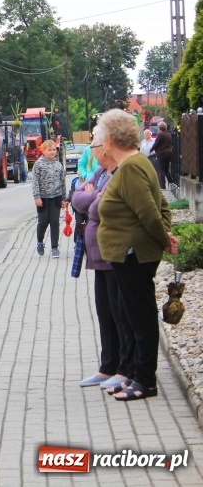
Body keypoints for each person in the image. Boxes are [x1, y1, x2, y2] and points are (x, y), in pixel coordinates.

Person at [97, 109, 178, 401]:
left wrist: (162, 239)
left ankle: (145, 381)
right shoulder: (135, 163)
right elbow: (161, 208)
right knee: (130, 316)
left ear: (109, 139)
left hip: (133, 254)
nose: (99, 142)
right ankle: (134, 374)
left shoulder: (131, 167)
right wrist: (165, 234)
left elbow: (149, 212)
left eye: (99, 136)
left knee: (140, 318)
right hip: (127, 254)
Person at [73, 132, 132, 390]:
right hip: (97, 255)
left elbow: (97, 207)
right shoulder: (101, 173)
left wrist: (92, 196)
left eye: (94, 145)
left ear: (105, 148)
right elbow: (78, 199)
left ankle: (123, 368)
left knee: (119, 313)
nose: (92, 150)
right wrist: (91, 195)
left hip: (112, 254)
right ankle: (107, 366)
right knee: (104, 312)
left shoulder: (117, 173)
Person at [31, 139, 67, 258]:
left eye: (54, 150)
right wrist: (37, 196)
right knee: (43, 222)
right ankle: (40, 241)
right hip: (43, 198)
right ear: (43, 151)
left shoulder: (58, 165)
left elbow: (62, 182)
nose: (52, 152)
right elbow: (35, 181)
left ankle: (54, 247)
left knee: (55, 222)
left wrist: (63, 198)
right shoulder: (38, 164)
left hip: (56, 197)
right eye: (49, 150)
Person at [150, 121, 173, 190]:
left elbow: (156, 144)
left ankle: (162, 186)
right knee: (166, 169)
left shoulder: (160, 134)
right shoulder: (168, 134)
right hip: (169, 153)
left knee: (161, 170)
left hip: (162, 153)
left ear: (159, 128)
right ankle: (171, 182)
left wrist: (151, 150)